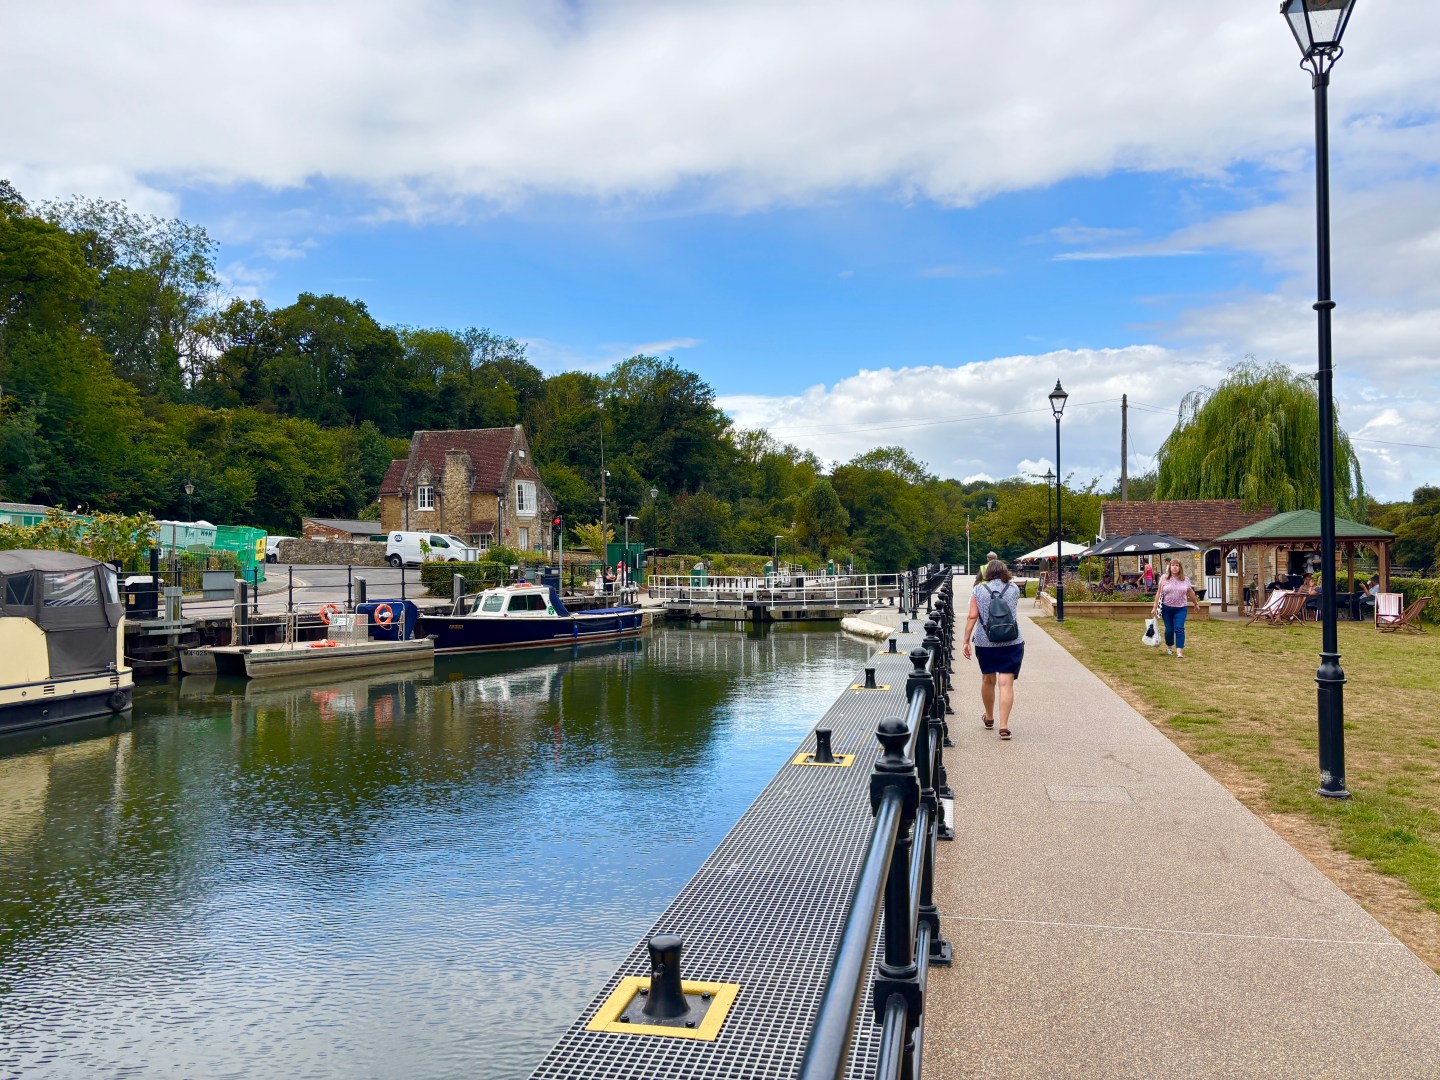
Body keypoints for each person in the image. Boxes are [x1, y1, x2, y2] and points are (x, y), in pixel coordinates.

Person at [962, 558, 1024, 741]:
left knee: (988, 680)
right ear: (1005, 571)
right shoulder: (1013, 589)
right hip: (1011, 641)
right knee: (1006, 683)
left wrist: (965, 641)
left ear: (987, 572)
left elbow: (972, 616)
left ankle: (989, 717)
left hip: (985, 641)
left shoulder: (978, 590)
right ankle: (1004, 726)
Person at [1152, 559, 1199, 658]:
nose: (1174, 567)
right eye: (1172, 565)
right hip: (1166, 608)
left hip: (1181, 608)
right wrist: (1155, 607)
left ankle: (1179, 651)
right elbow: (1159, 593)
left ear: (1180, 567)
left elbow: (1190, 592)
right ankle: (1169, 647)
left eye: (1177, 565)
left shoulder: (1185, 579)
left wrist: (1195, 603)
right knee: (1169, 630)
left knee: (1179, 628)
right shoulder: (1164, 578)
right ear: (1169, 567)